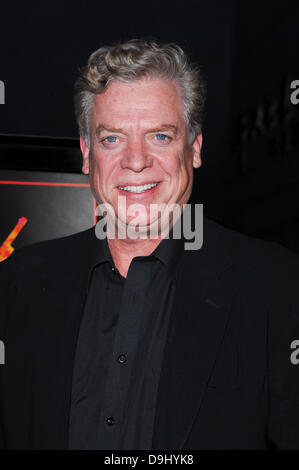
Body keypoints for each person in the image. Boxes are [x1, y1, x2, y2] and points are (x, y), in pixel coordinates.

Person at [0, 39, 299, 450]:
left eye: (160, 136)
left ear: (194, 148)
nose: (136, 160)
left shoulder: (276, 288)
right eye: (112, 139)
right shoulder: (18, 285)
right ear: (87, 154)